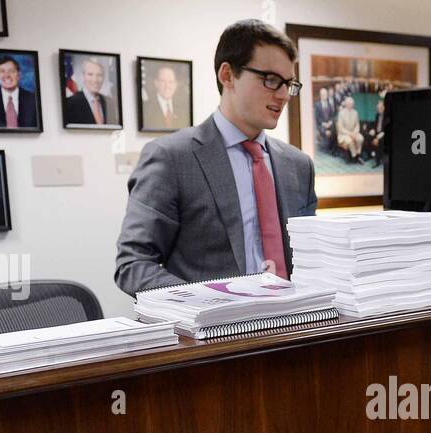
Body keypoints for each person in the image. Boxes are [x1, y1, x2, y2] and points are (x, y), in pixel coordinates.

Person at [115, 19, 316, 296]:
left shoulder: (298, 165)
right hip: (213, 335)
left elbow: (312, 259)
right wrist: (207, 300)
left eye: (289, 84)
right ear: (228, 75)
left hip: (295, 327)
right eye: (270, 80)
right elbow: (133, 265)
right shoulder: (171, 158)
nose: (283, 95)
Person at [0, 56, 39, 129]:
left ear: (19, 75)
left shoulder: (34, 100)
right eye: (2, 71)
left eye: (11, 71)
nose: (7, 75)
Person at [64, 57, 116, 126]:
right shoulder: (70, 103)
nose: (95, 80)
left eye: (99, 75)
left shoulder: (109, 102)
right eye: (90, 74)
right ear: (83, 76)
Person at [142, 64, 187, 130]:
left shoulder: (183, 111)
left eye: (171, 82)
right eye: (163, 81)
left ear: (176, 85)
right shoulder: (146, 108)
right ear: (156, 83)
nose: (167, 86)